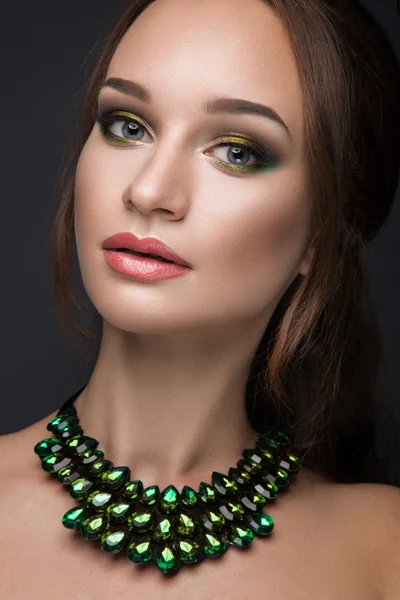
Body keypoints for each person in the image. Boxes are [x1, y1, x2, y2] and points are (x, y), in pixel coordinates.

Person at [1, 0, 400, 595]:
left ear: (322, 234)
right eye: (127, 125)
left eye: (238, 151)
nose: (150, 189)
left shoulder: (383, 548)